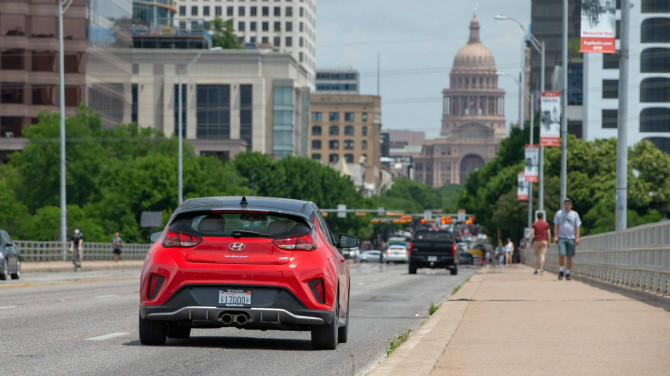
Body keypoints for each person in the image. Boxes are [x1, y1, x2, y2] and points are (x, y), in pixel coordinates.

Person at [554, 198, 581, 281]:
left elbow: (577, 227)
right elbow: (556, 225)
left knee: (569, 256)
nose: (567, 206)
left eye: (569, 204)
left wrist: (577, 237)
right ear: (564, 205)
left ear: (571, 205)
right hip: (561, 237)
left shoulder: (575, 214)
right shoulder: (559, 213)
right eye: (566, 204)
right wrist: (555, 236)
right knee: (561, 254)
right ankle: (561, 271)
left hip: (571, 238)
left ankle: (568, 273)